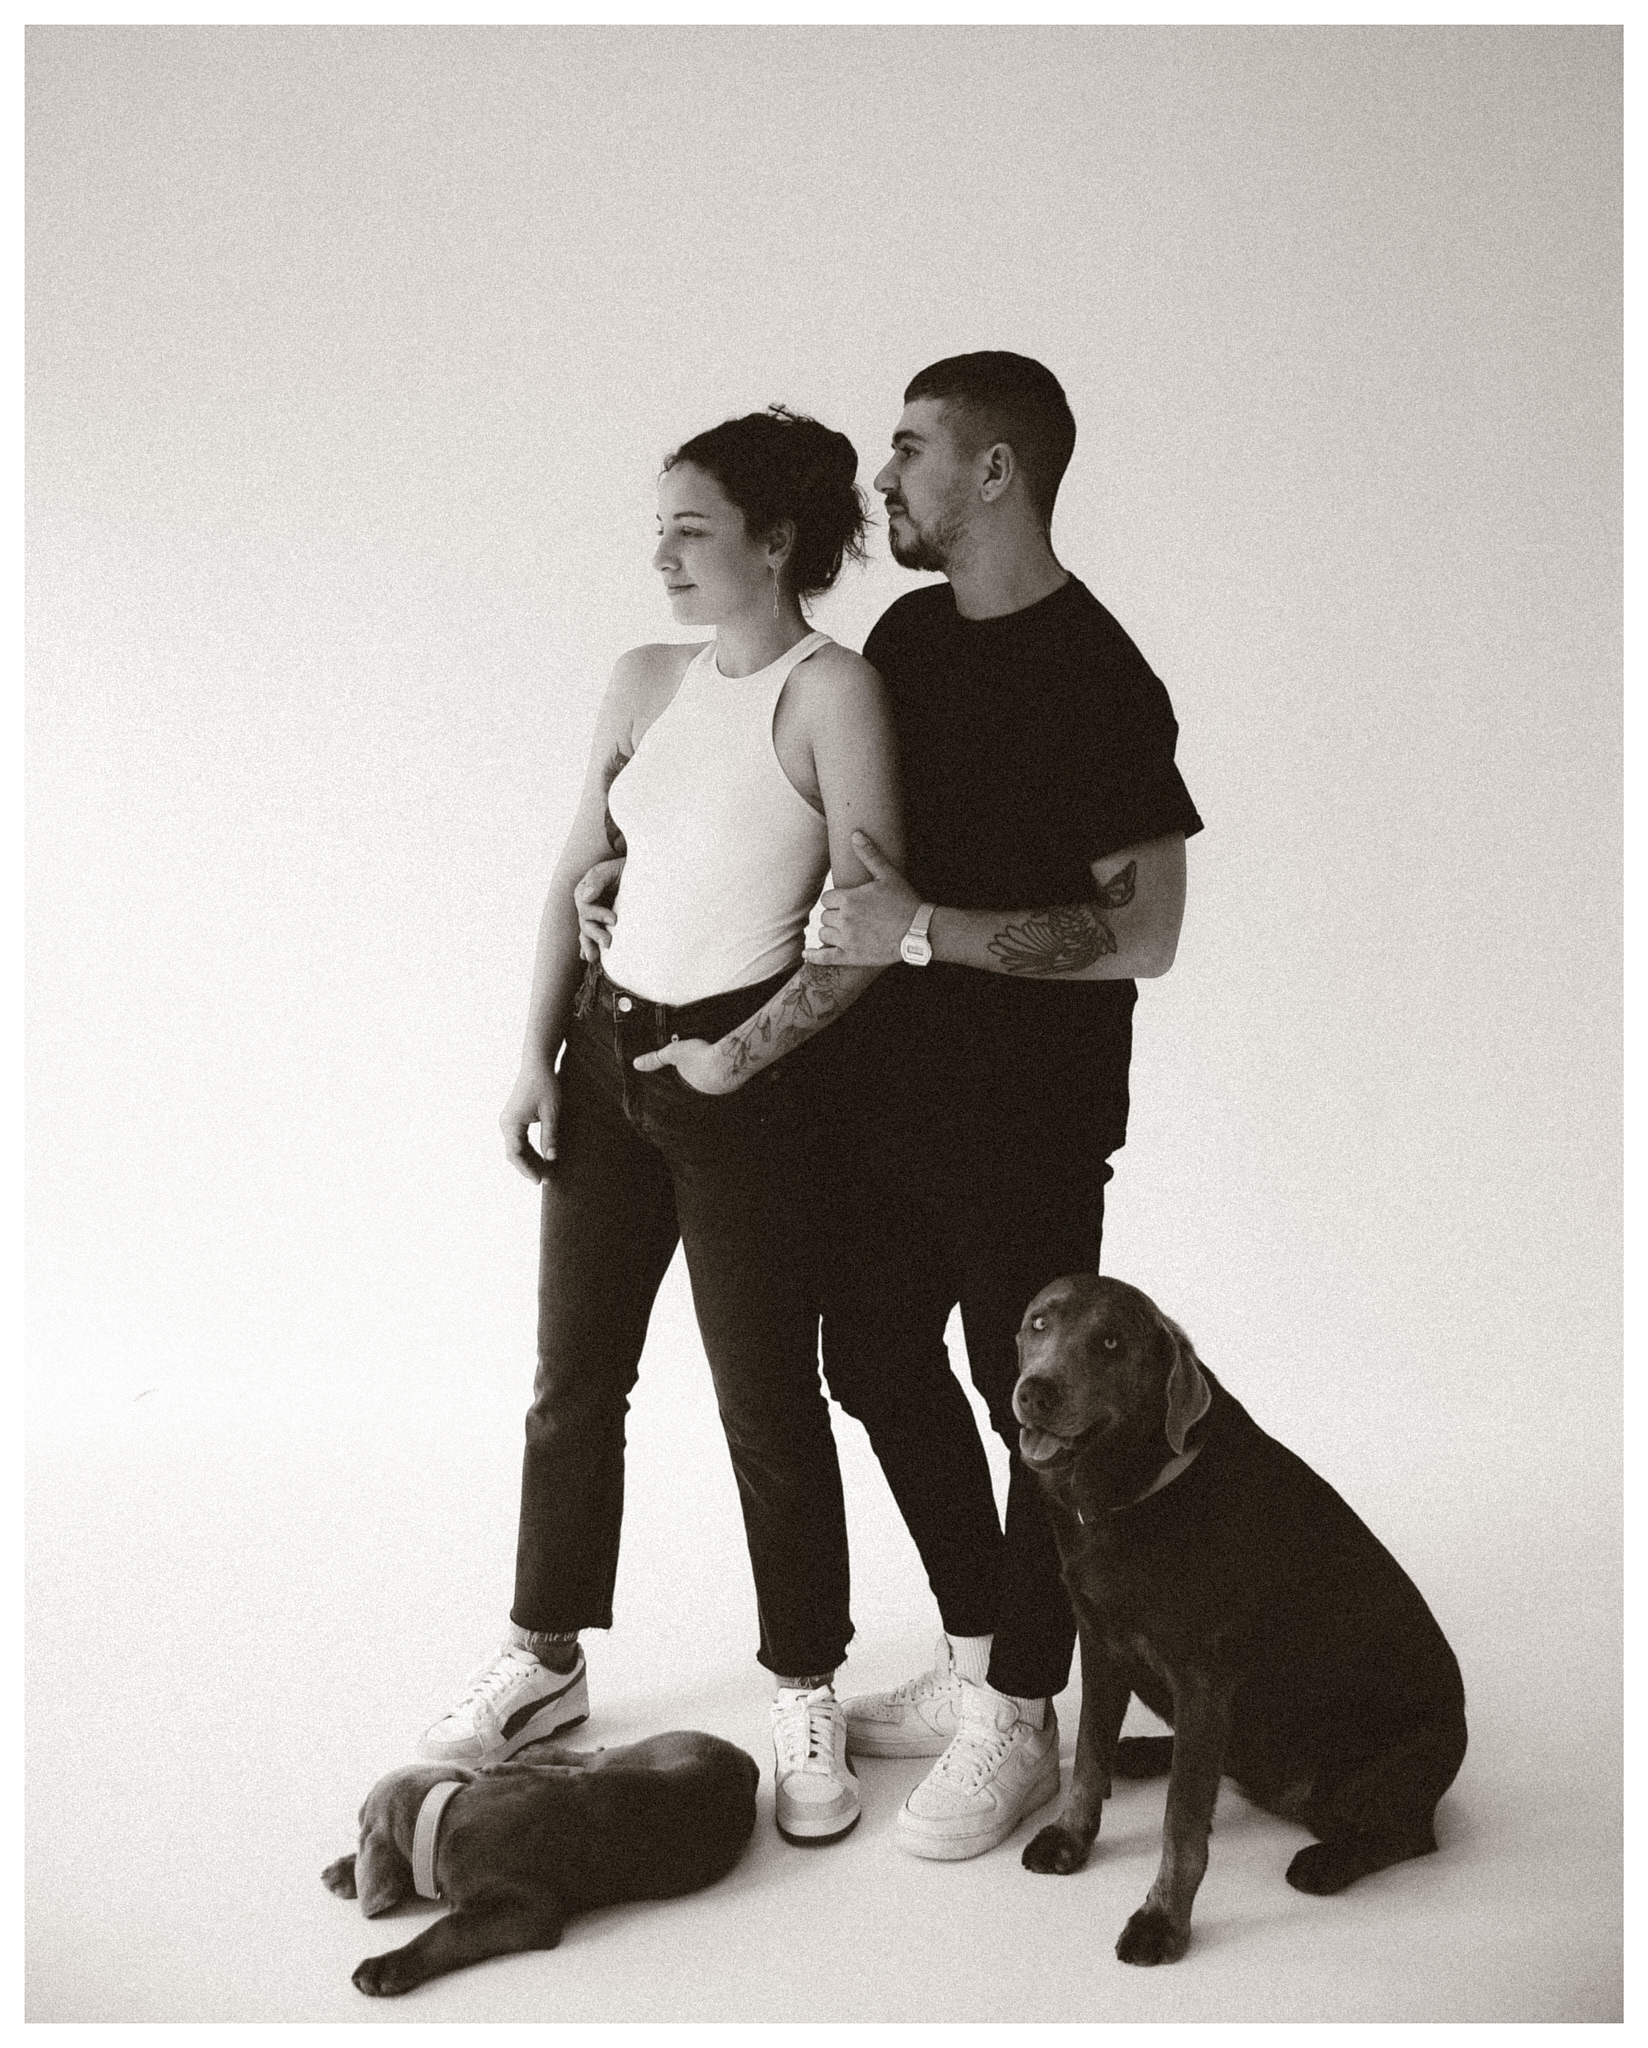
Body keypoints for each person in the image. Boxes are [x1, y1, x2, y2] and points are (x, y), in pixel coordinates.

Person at [419, 406, 903, 1849]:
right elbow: (578, 866)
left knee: (766, 1399)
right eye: (661, 528)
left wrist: (735, 1060)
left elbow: (869, 927)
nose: (664, 556)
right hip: (608, 1060)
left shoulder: (833, 694)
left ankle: (805, 1683)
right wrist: (534, 1057)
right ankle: (546, 1653)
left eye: (692, 530)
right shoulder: (644, 679)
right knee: (575, 1381)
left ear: (778, 540)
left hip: (745, 1090)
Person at [804, 352, 1204, 1862]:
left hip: (1028, 1114)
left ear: (995, 471)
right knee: (869, 1354)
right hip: (888, 1095)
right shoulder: (907, 637)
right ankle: (985, 1654)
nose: (883, 478)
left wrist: (920, 929)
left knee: (1024, 1396)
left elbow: (1147, 932)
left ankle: (1027, 1711)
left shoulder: (1102, 676)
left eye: (909, 449)